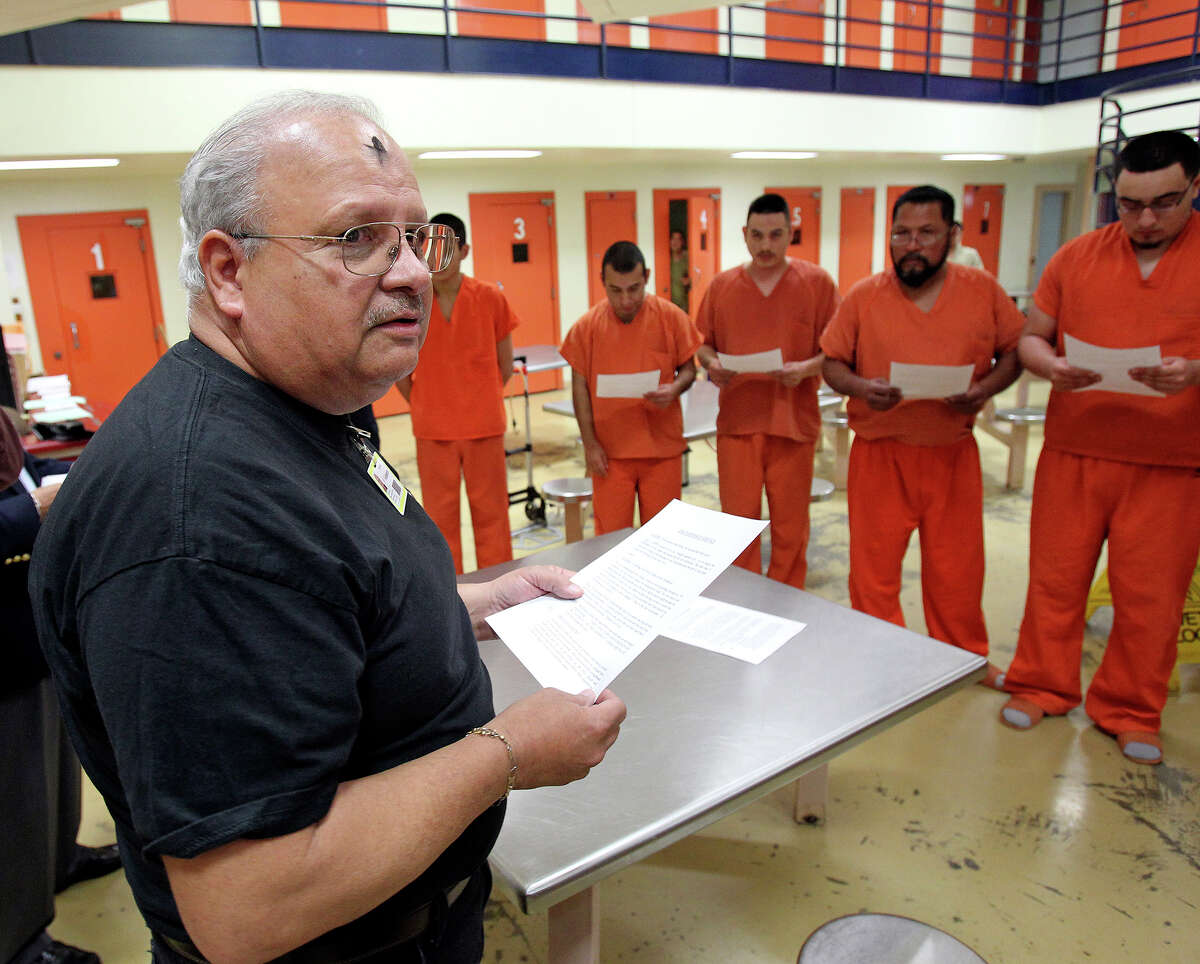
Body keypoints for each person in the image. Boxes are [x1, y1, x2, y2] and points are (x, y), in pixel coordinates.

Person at [29, 90, 626, 963]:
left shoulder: (314, 404)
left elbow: (319, 626)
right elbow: (248, 907)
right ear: (228, 273)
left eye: (414, 236)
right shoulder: (201, 520)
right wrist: (506, 753)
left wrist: (478, 604)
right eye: (357, 239)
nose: (415, 271)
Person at [1000, 130, 1200, 765]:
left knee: (1151, 596)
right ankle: (1041, 684)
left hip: (1171, 460)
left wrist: (1195, 371)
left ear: (1195, 187)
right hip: (1075, 450)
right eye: (1129, 203)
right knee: (1054, 579)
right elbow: (1033, 335)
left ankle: (1131, 709)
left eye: (1163, 204)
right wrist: (1049, 364)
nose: (1143, 219)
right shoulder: (1079, 256)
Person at [821, 186, 1023, 686]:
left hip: (951, 452)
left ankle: (963, 660)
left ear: (951, 236)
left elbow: (1017, 350)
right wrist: (863, 388)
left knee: (957, 571)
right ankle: (882, 662)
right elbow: (832, 363)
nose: (912, 244)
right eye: (901, 233)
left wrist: (982, 390)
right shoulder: (865, 296)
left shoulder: (982, 291)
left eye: (926, 233)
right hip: (879, 454)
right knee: (873, 574)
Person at [2, 379, 118, 964]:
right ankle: (21, 941)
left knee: (50, 763)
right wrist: (28, 514)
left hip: (30, 621)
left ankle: (61, 858)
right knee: (14, 791)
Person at [695, 193, 838, 589]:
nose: (765, 245)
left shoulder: (817, 284)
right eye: (757, 235)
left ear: (790, 234)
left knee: (791, 528)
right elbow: (701, 343)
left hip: (792, 421)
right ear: (744, 234)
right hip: (739, 423)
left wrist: (807, 367)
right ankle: (746, 602)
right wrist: (713, 365)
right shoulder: (723, 286)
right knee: (737, 526)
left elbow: (838, 349)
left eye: (776, 235)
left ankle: (789, 600)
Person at [396, 212, 519, 573]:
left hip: (484, 426)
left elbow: (505, 366)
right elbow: (401, 368)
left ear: (464, 251)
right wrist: (423, 402)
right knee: (439, 519)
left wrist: (477, 398)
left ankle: (500, 589)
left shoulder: (491, 298)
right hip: (434, 429)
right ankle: (450, 596)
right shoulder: (411, 301)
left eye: (447, 249)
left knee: (493, 516)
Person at [560, 241, 701, 534]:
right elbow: (580, 389)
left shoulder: (671, 318)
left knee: (664, 537)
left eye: (634, 288)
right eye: (616, 290)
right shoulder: (586, 328)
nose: (626, 299)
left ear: (646, 277)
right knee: (611, 539)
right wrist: (590, 444)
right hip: (610, 455)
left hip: (662, 450)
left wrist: (674, 389)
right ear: (603, 282)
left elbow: (689, 368)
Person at [668, 229, 691, 313]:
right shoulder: (666, 259)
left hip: (685, 305)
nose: (675, 242)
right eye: (673, 239)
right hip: (669, 305)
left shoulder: (688, 258)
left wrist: (689, 281)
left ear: (683, 242)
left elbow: (698, 276)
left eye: (678, 239)